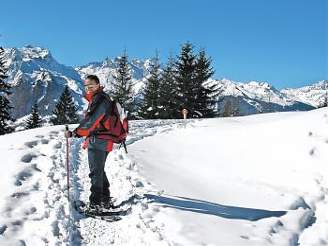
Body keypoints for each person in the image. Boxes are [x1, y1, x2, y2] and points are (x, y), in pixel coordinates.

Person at [65, 74, 114, 210]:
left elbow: (91, 121)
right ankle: (104, 200)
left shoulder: (99, 99)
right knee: (99, 170)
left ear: (98, 85)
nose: (88, 88)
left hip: (98, 140)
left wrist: (75, 133)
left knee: (95, 172)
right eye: (86, 86)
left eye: (91, 86)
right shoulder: (102, 98)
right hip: (105, 140)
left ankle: (95, 204)